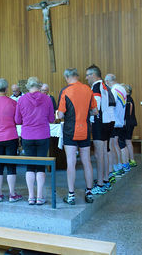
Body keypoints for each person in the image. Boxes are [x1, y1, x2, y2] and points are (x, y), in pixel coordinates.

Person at [57, 68, 98, 205]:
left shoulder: (65, 91)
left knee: (71, 162)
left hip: (70, 131)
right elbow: (95, 111)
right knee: (87, 162)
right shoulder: (88, 89)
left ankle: (71, 195)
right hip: (85, 130)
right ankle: (89, 192)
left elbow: (61, 115)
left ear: (67, 77)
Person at [15, 77, 54, 205]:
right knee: (41, 166)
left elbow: (17, 120)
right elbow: (51, 119)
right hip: (42, 134)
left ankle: (31, 196)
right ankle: (40, 196)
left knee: (30, 166)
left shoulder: (21, 99)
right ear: (39, 85)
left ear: (27, 86)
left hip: (27, 135)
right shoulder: (47, 98)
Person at [85, 65, 115, 194]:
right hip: (109, 122)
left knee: (99, 154)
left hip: (99, 122)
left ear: (93, 75)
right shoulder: (105, 86)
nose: (86, 78)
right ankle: (106, 179)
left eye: (87, 75)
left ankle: (101, 184)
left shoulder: (96, 87)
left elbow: (95, 107)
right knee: (105, 151)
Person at [105, 74, 129, 177]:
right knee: (117, 145)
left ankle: (117, 167)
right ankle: (120, 166)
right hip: (120, 120)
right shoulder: (122, 89)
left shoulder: (114, 90)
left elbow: (111, 104)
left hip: (114, 121)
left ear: (107, 82)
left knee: (112, 145)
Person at [123, 84, 138, 167]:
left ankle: (131, 159)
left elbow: (128, 114)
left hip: (128, 123)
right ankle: (131, 159)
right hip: (131, 122)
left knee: (127, 142)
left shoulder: (127, 100)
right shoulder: (129, 99)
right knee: (128, 141)